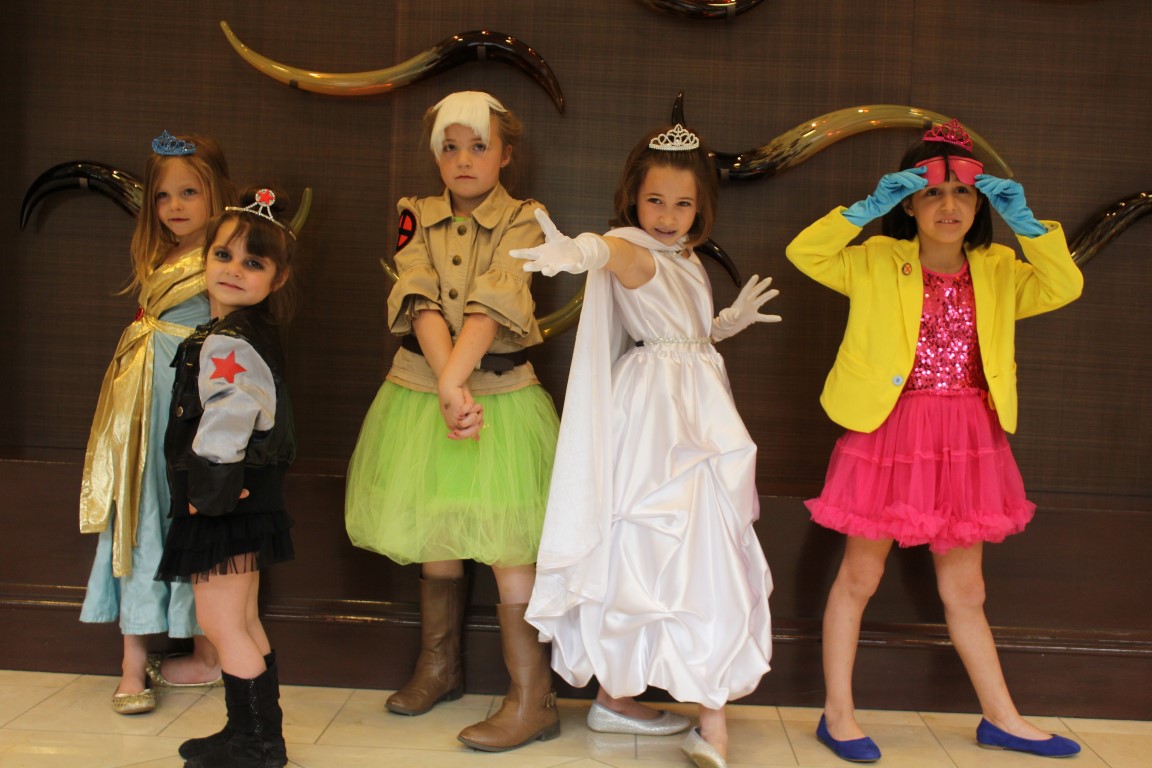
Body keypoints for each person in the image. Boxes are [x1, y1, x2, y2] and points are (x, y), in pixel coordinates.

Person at [785, 120, 1083, 762]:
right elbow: (806, 253)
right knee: (860, 576)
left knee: (966, 591)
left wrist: (1028, 225)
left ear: (981, 204)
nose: (949, 206)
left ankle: (1001, 718)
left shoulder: (999, 269)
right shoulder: (874, 260)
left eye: (962, 193)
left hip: (968, 439)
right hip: (888, 433)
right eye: (931, 193)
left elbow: (1064, 285)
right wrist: (866, 208)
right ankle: (838, 715)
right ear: (908, 203)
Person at [515, 123, 777, 768]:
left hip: (697, 406)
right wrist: (577, 252)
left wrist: (723, 324)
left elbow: (683, 328)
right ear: (634, 197)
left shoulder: (686, 255)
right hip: (660, 418)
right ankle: (704, 721)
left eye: (682, 203)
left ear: (700, 206)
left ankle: (618, 697)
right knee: (674, 543)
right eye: (654, 200)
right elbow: (606, 253)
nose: (666, 215)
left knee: (677, 545)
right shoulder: (632, 248)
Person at [344, 91, 562, 752]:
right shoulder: (415, 213)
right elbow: (418, 298)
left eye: (478, 146)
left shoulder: (526, 219)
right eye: (450, 147)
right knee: (434, 527)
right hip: (421, 393)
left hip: (501, 397)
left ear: (506, 154)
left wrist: (454, 385)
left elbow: (494, 305)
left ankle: (533, 697)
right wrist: (445, 386)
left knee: (509, 543)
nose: (464, 159)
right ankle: (438, 668)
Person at [79, 131, 233, 714]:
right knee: (137, 516)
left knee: (187, 513)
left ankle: (208, 649)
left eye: (189, 192)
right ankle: (131, 664)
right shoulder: (158, 254)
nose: (174, 206)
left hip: (187, 401)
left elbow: (229, 341)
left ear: (216, 192)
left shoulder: (221, 258)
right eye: (164, 196)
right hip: (139, 404)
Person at [154, 187, 299, 768]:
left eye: (253, 262)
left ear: (278, 278)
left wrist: (208, 494)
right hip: (248, 499)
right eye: (223, 255)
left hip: (222, 501)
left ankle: (258, 745)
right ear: (205, 259)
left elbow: (228, 420)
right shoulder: (246, 333)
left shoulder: (228, 342)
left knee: (220, 622)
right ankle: (249, 730)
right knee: (242, 619)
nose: (234, 270)